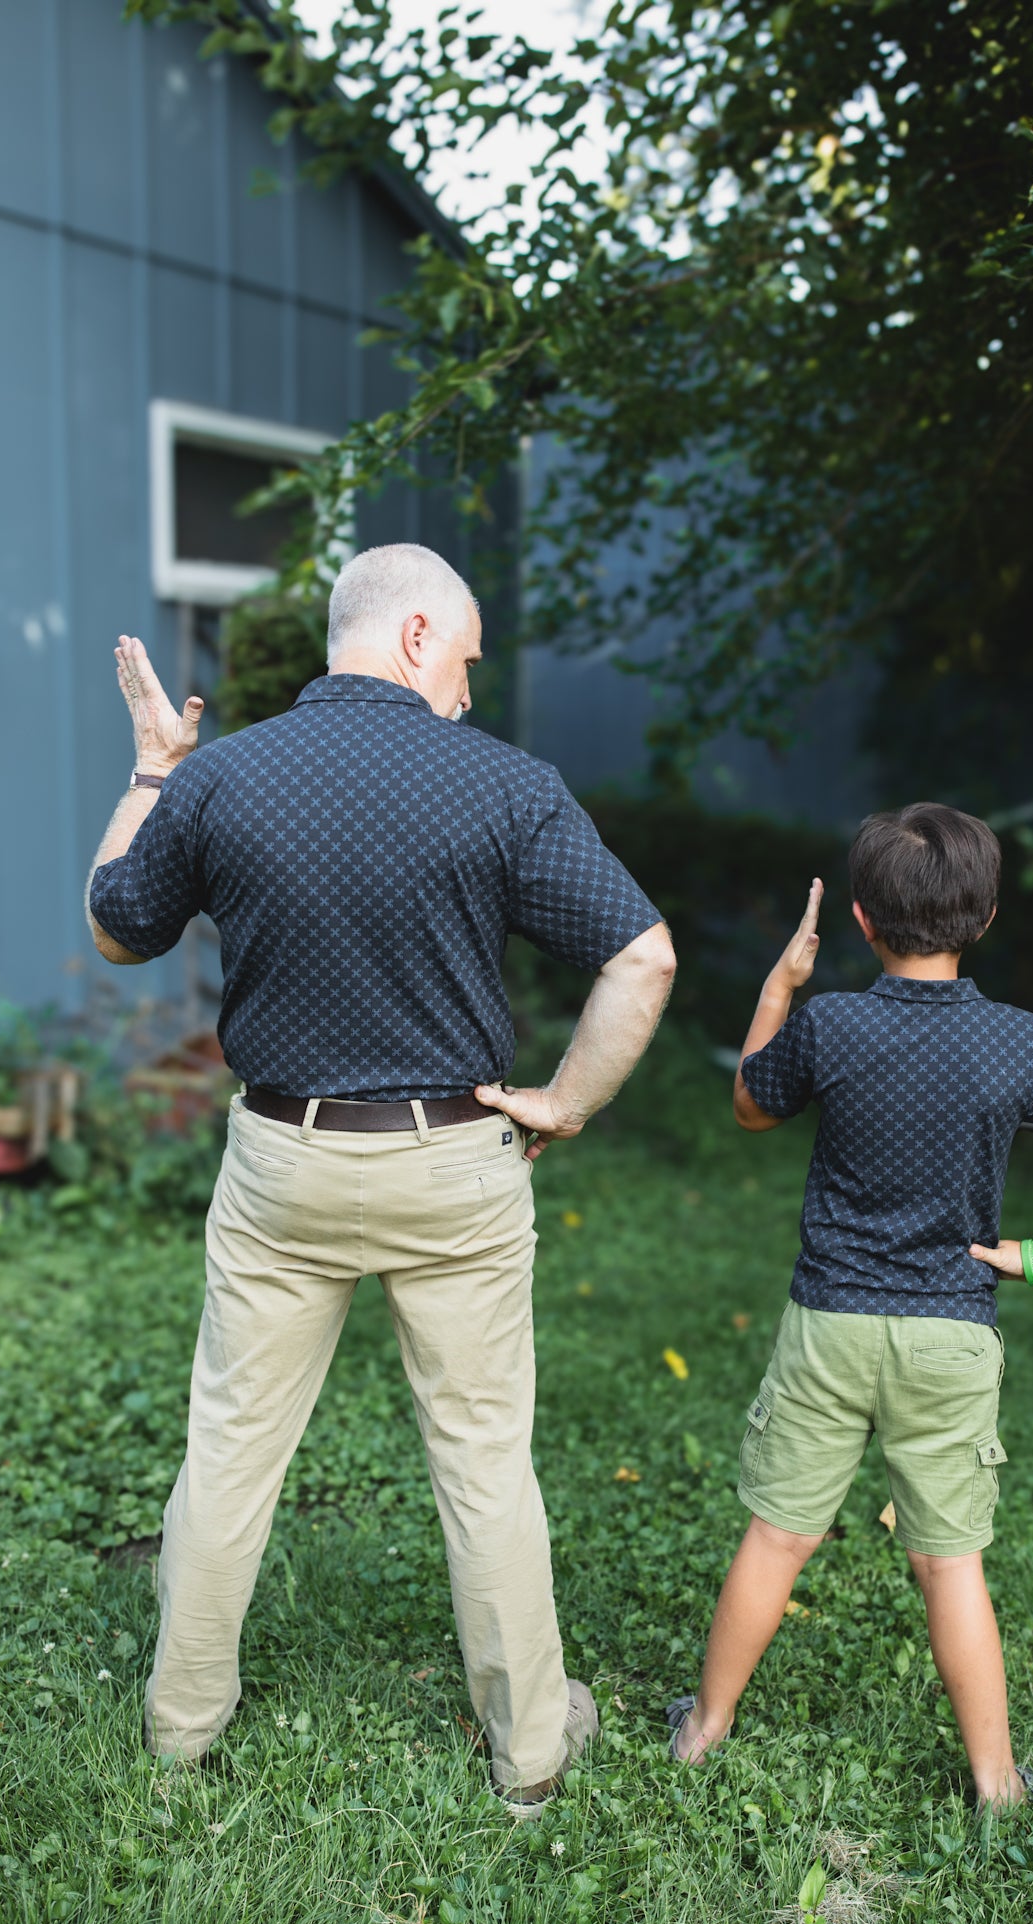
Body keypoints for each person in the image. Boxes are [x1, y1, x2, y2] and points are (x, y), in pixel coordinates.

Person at [85, 542, 675, 1816]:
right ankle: (528, 1752)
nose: (467, 684)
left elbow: (115, 923)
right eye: (464, 657)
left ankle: (182, 1730)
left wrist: (150, 771)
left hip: (282, 1160)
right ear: (414, 637)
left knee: (232, 1448)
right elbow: (645, 960)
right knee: (483, 1460)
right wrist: (565, 1103)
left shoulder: (223, 773)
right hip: (456, 1162)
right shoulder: (508, 786)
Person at [667, 803, 1033, 1811]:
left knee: (777, 1537)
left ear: (859, 918)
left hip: (831, 1323)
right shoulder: (1020, 1040)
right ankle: (996, 1782)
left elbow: (752, 1105)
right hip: (952, 1331)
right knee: (951, 1564)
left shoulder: (832, 1021)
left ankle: (704, 1730)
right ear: (982, 916)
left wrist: (781, 986)